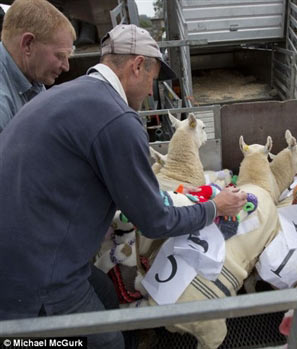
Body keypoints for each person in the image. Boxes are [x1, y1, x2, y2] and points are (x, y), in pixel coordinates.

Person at [0, 24, 247, 349]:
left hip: (20, 251)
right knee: (108, 342)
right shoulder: (117, 119)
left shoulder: (66, 93)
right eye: (151, 80)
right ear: (137, 66)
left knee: (104, 290)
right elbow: (155, 220)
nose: (149, 92)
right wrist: (216, 207)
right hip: (39, 275)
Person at [0, 0, 75, 132]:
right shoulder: (3, 104)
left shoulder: (32, 74)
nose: (66, 67)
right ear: (28, 44)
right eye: (60, 56)